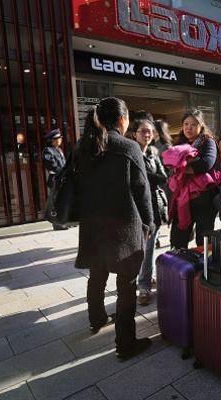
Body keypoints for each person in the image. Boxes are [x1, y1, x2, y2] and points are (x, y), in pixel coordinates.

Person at [74, 98, 154, 360]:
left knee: (97, 275)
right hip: (124, 226)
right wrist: (150, 223)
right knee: (126, 283)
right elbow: (142, 191)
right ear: (122, 120)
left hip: (93, 224)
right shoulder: (129, 147)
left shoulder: (83, 146)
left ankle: (96, 319)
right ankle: (125, 343)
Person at [167, 109, 219, 249]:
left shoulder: (207, 142)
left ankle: (204, 270)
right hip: (183, 199)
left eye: (193, 124)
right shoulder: (179, 144)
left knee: (203, 242)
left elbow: (207, 163)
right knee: (178, 240)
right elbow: (170, 166)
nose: (189, 128)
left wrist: (183, 168)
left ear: (201, 126)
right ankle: (179, 268)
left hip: (204, 200)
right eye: (186, 124)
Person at [133, 119, 168, 307]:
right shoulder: (131, 152)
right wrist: (149, 179)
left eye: (150, 131)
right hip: (137, 208)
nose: (147, 134)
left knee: (150, 247)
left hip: (155, 205)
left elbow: (163, 177)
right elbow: (134, 182)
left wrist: (147, 179)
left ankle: (147, 279)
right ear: (134, 134)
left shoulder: (154, 152)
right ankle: (143, 285)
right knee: (144, 249)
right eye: (143, 131)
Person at [42, 128, 68, 230]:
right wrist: (62, 171)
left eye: (60, 138)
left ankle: (62, 221)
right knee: (55, 201)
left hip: (61, 177)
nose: (59, 140)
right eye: (57, 139)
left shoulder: (58, 150)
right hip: (55, 178)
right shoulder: (48, 150)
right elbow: (50, 165)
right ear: (52, 140)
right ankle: (57, 223)